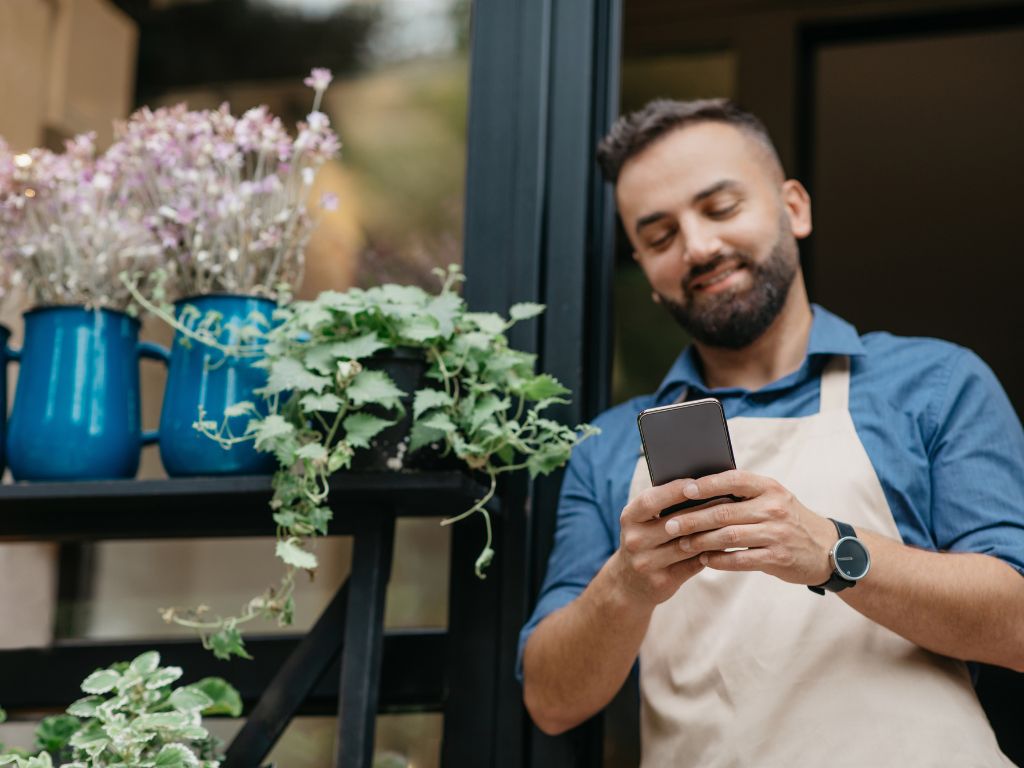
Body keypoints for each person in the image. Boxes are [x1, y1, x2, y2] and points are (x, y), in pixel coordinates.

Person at [518, 98, 1024, 766]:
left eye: (721, 207)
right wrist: (627, 584)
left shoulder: (935, 385)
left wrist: (832, 551)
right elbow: (551, 702)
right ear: (646, 271)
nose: (699, 247)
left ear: (794, 208)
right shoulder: (607, 449)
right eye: (661, 238)